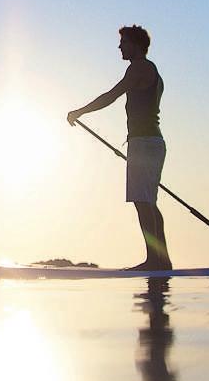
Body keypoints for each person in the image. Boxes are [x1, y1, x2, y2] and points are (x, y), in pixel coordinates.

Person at [68, 25, 172, 270]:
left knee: (142, 202)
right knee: (149, 202)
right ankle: (162, 261)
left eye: (124, 42)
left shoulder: (139, 68)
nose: (120, 47)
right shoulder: (152, 70)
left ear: (136, 45)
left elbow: (112, 95)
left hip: (144, 144)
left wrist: (80, 111)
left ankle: (154, 261)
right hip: (151, 142)